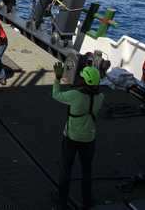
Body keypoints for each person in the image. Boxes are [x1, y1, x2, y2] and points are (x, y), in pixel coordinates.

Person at [52, 62, 105, 210]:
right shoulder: (100, 98)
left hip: (71, 138)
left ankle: (61, 202)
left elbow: (56, 94)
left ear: (84, 81)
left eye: (81, 78)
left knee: (66, 170)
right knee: (87, 171)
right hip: (89, 140)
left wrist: (57, 78)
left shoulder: (74, 96)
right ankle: (87, 201)